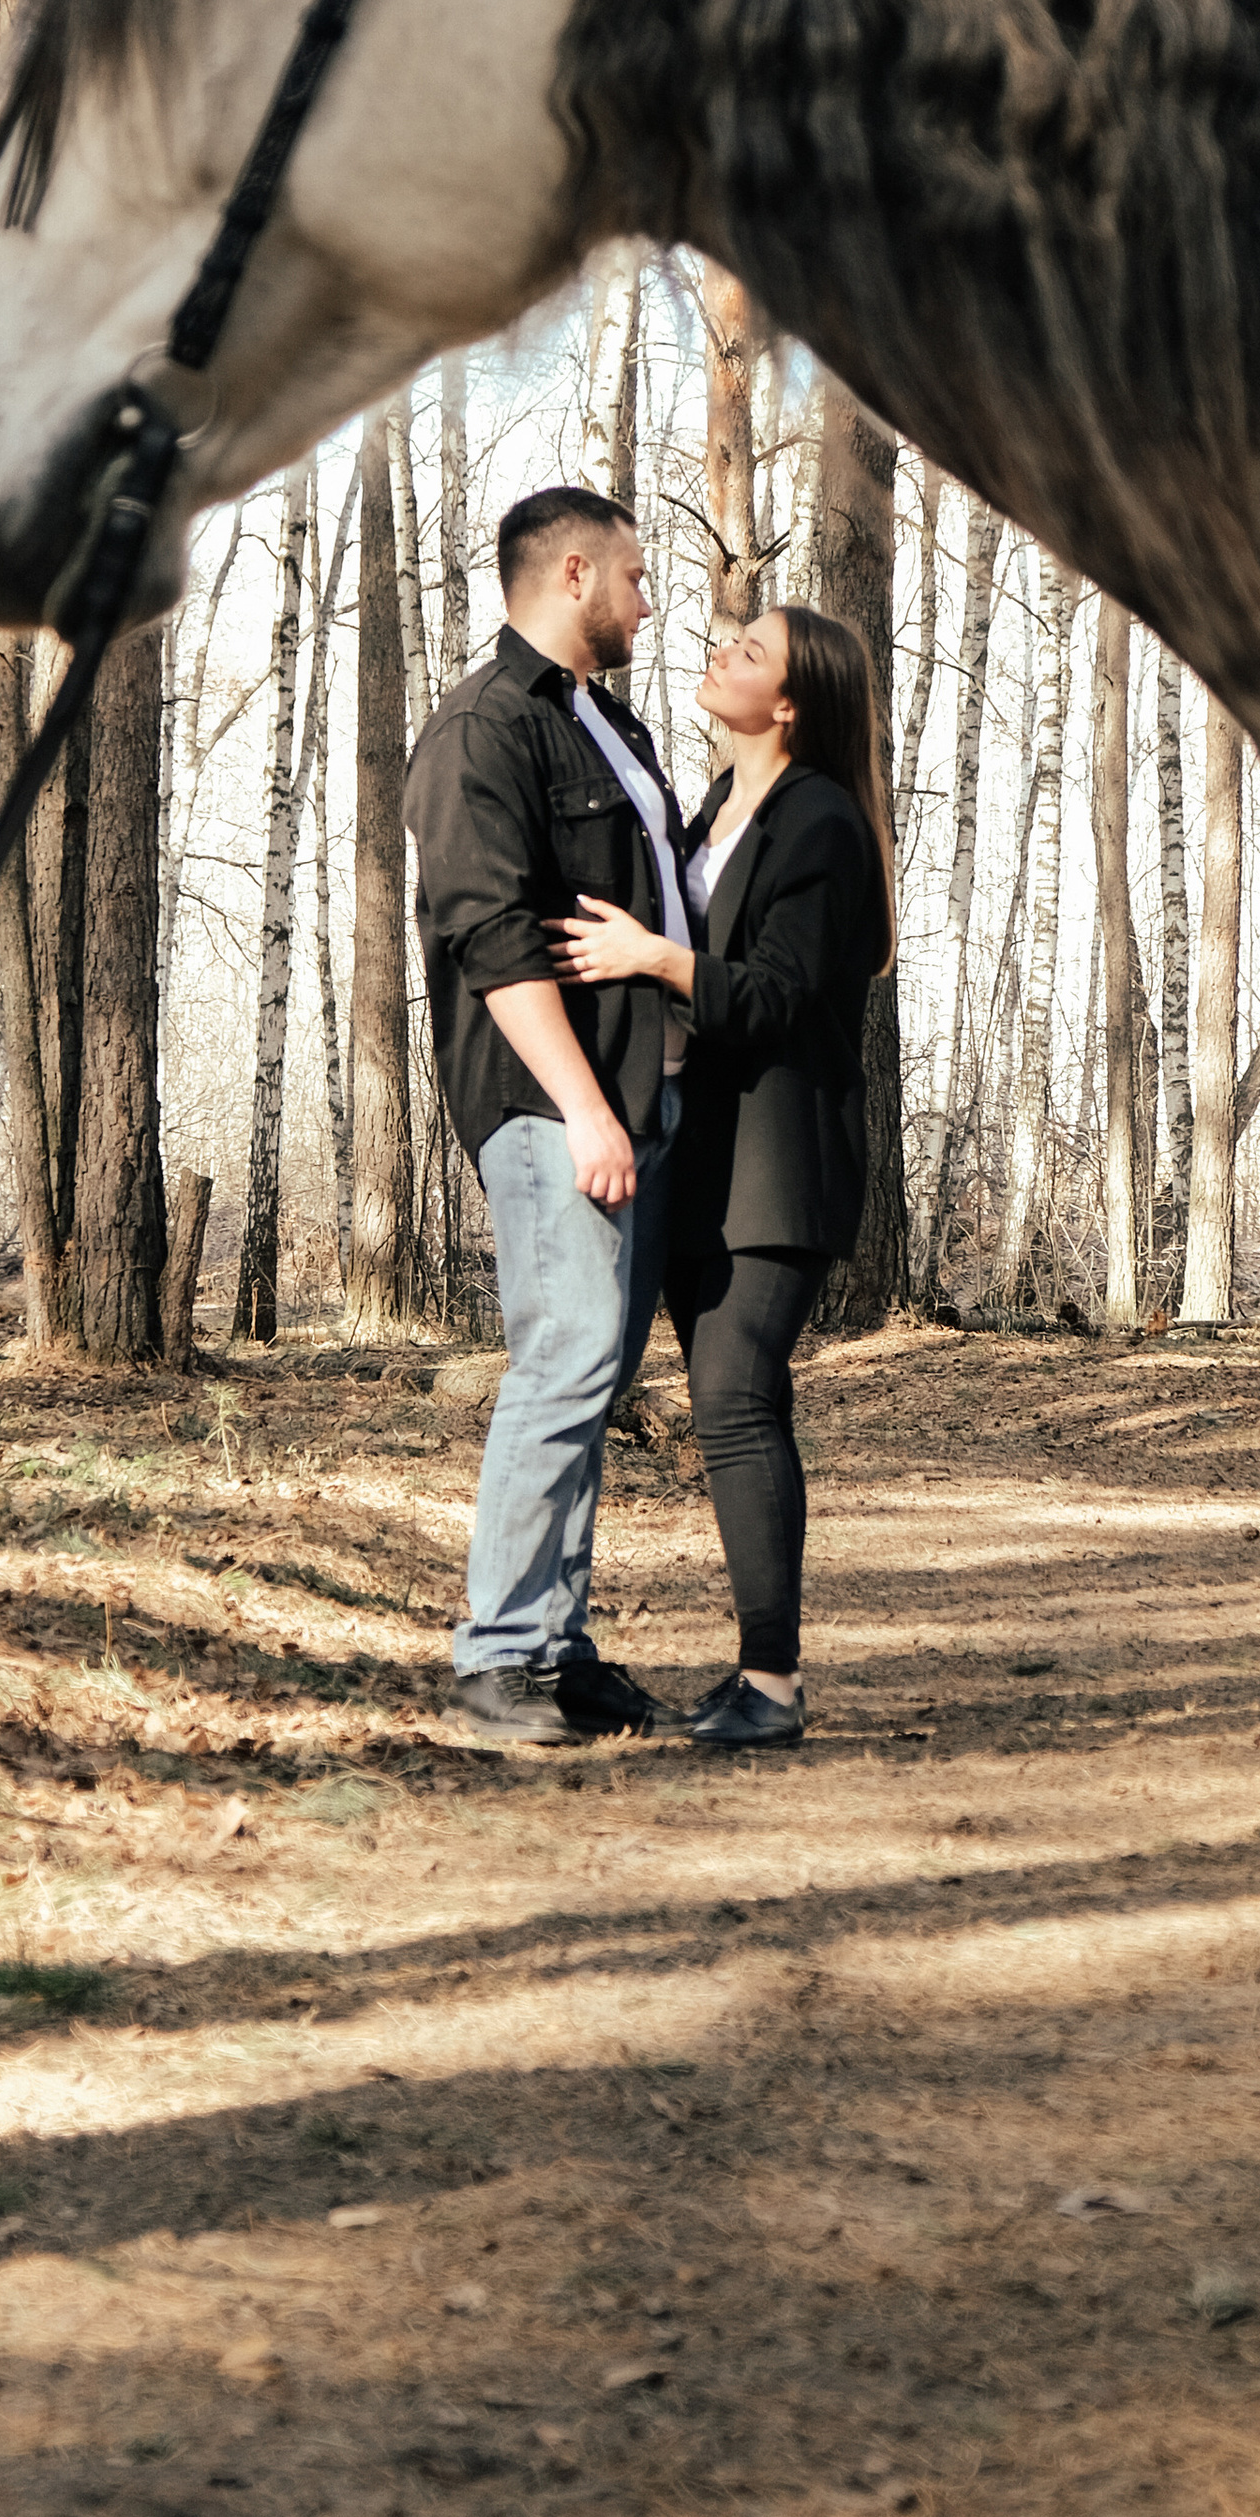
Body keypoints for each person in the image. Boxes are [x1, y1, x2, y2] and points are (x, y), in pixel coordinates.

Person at [552, 601, 895, 1748]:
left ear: (789, 703)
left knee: (740, 1401)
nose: (718, 653)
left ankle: (774, 1686)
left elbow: (783, 994)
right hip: (701, 1151)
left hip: (780, 1159)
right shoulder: (713, 808)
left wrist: (653, 958)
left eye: (749, 653)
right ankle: (761, 1678)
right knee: (724, 1409)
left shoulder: (820, 822)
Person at [402, 484, 693, 1742]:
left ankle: (555, 1652)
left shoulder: (605, 723)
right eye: (634, 576)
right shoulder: (481, 728)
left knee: (595, 1370)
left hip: (636, 1097)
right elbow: (489, 934)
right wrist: (584, 1109)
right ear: (572, 574)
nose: (649, 600)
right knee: (565, 1356)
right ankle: (503, 1658)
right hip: (552, 1104)